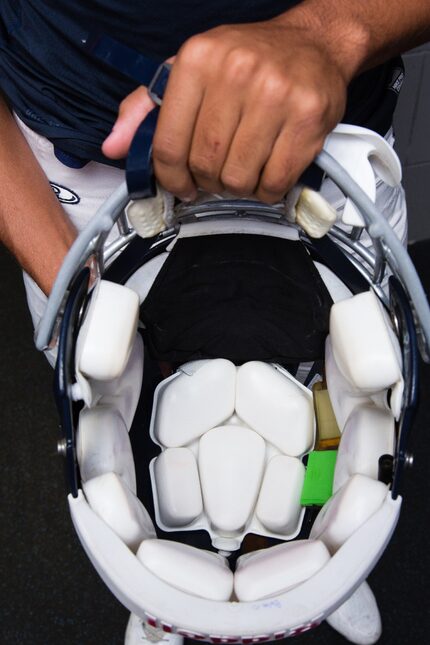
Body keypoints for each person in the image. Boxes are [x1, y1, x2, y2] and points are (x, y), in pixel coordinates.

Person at [0, 2, 429, 644]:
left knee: (354, 402)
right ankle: (163, 595)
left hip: (326, 134)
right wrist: (66, 275)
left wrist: (336, 29)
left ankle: (325, 549)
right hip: (82, 173)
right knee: (109, 399)